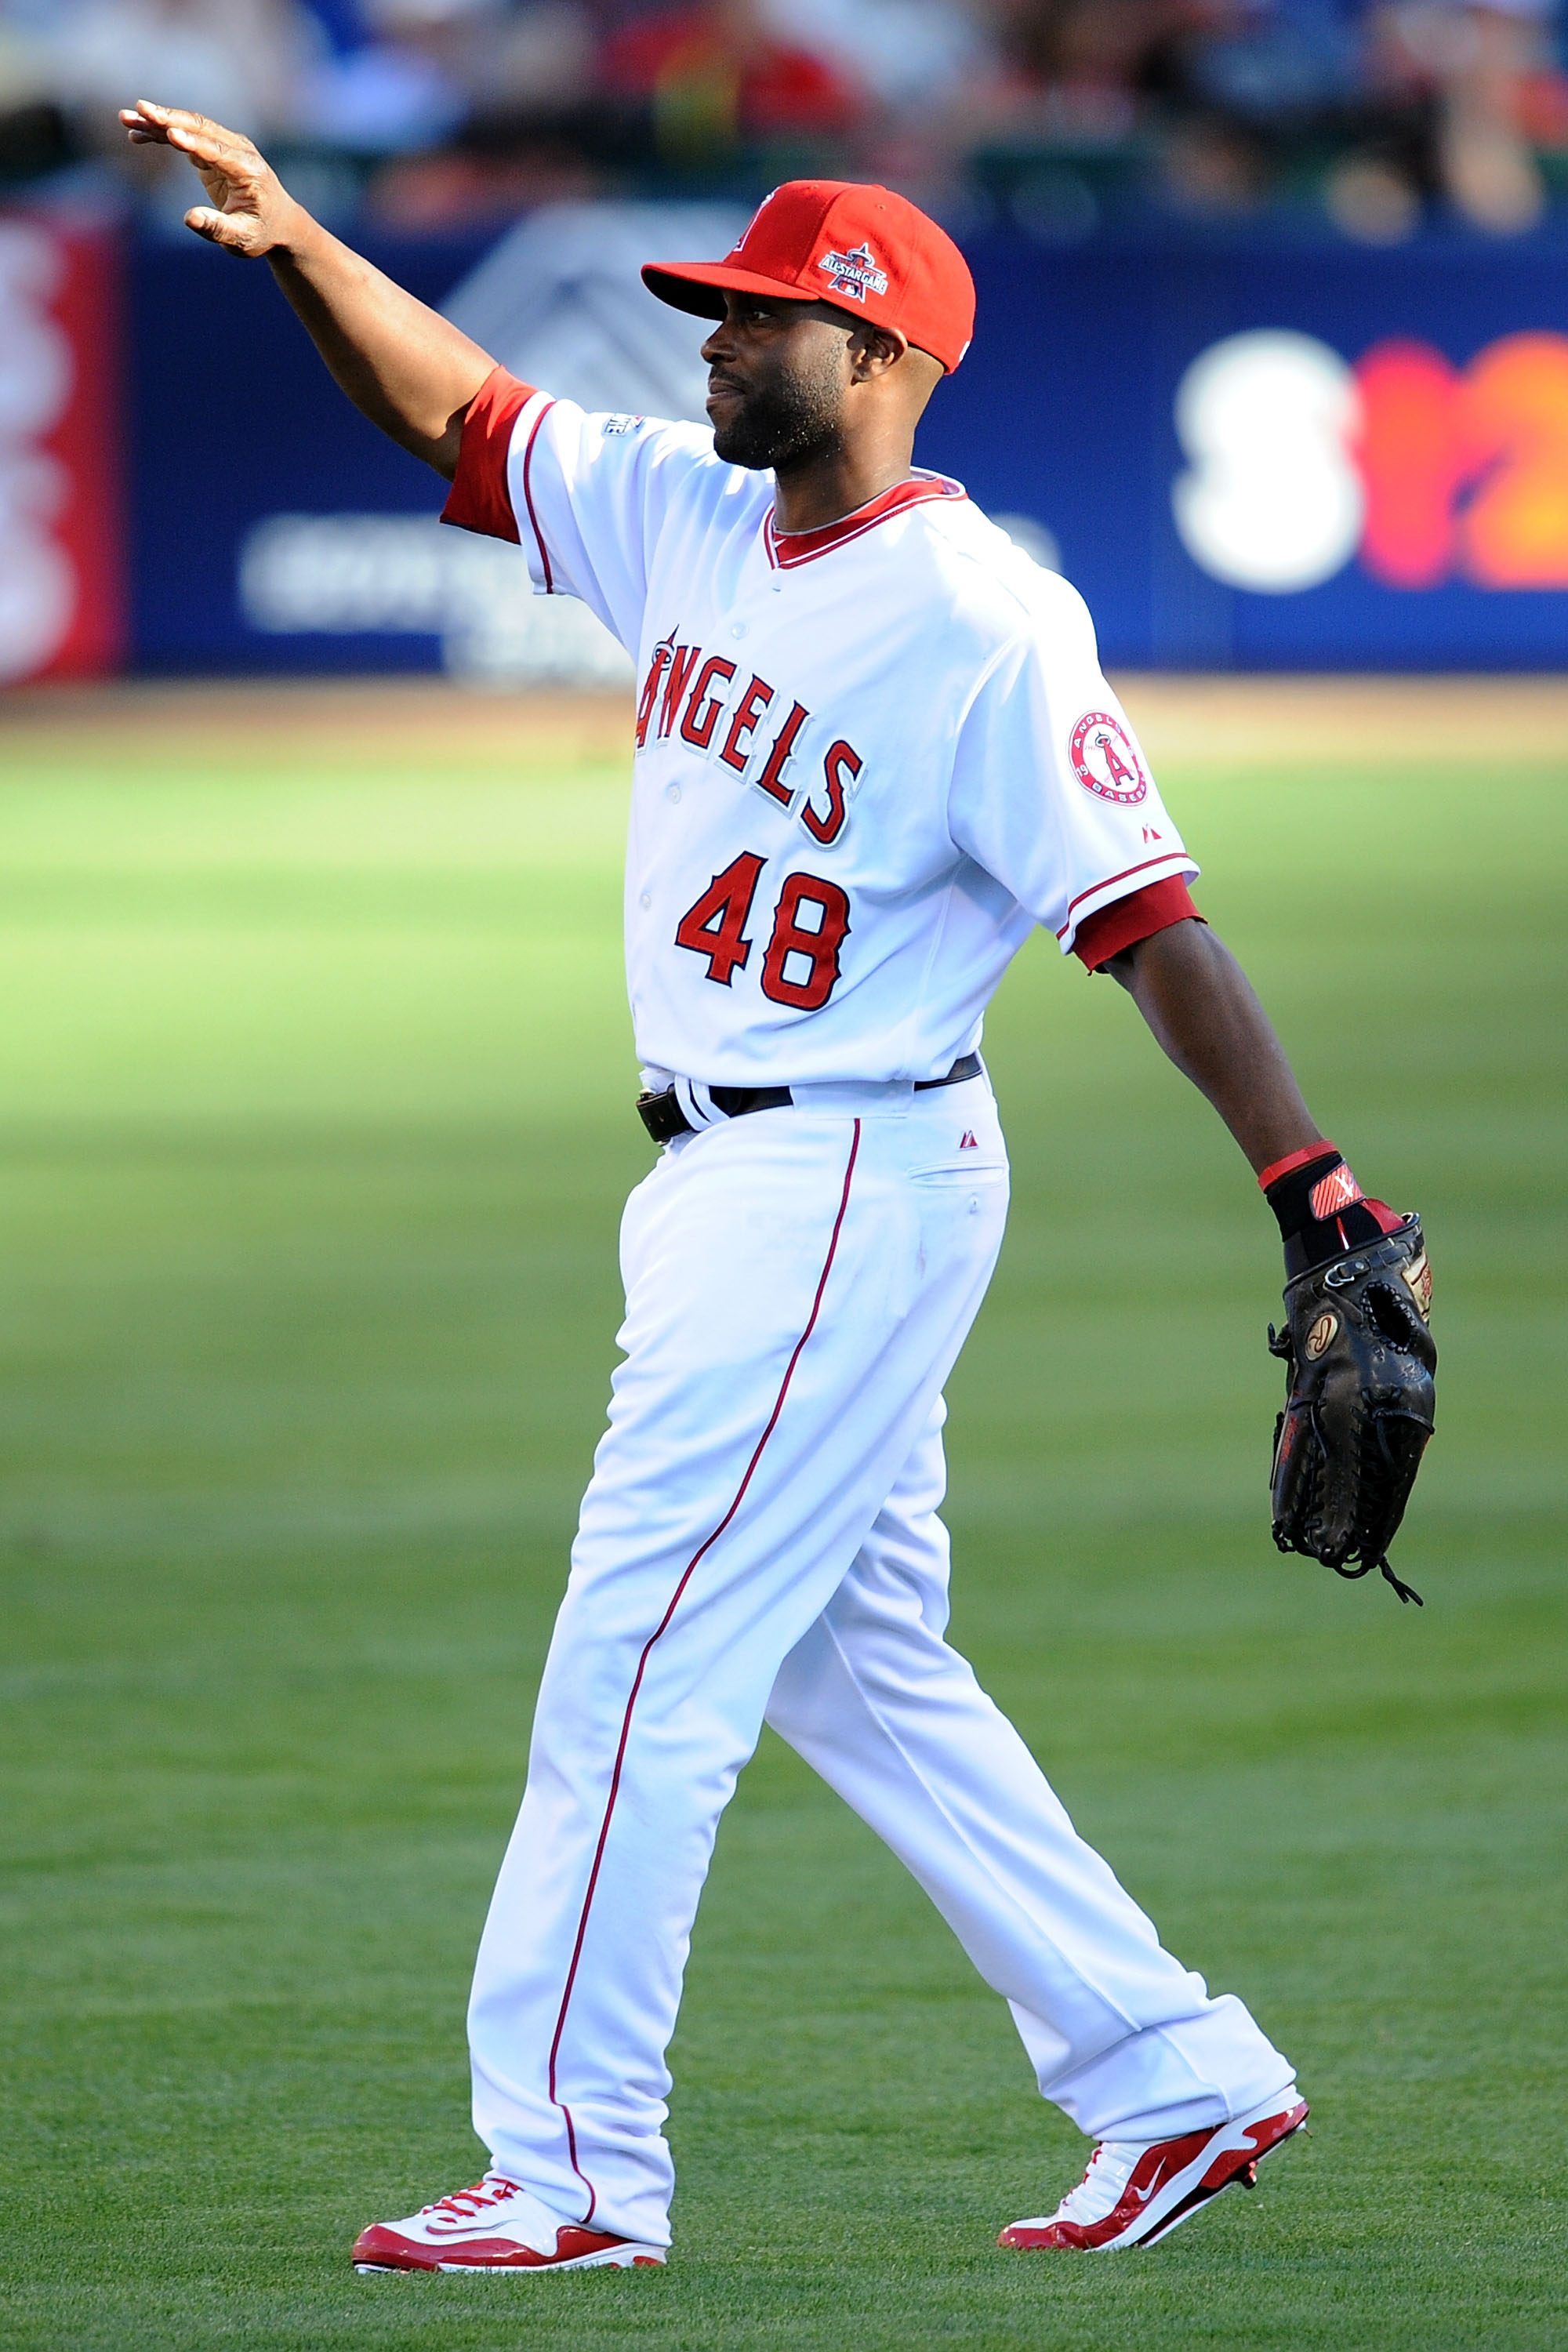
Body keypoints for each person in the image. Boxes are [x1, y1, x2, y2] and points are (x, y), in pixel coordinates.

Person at [122, 98, 1406, 2269]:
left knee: (639, 1662)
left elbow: (1152, 920)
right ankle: (1175, 2072)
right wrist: (306, 249)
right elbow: (468, 414)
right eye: (712, 311)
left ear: (881, 354)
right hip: (743, 1180)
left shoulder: (986, 618)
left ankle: (575, 2173)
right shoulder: (685, 523)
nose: (710, 342)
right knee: (849, 1663)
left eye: (759, 318)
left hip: (842, 1171)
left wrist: (1322, 1194)